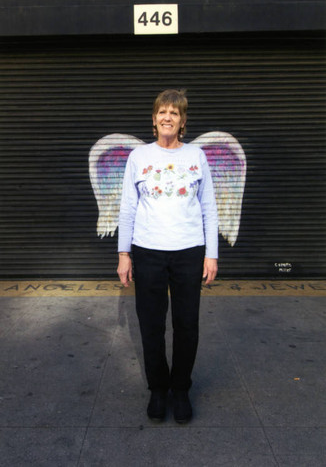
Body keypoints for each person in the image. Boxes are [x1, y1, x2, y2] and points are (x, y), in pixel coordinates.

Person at [117, 89, 218, 424]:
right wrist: (124, 253)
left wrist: (211, 255)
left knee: (187, 325)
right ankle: (158, 389)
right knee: (151, 324)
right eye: (162, 112)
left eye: (174, 113)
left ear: (183, 120)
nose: (167, 118)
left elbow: (209, 207)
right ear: (154, 118)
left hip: (189, 251)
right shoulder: (139, 157)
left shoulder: (197, 156)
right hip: (148, 251)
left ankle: (181, 389)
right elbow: (128, 208)